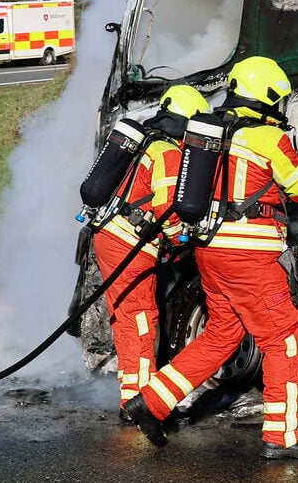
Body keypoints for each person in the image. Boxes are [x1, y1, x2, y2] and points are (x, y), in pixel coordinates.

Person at [125, 56, 298, 460]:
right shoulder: (269, 138)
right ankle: (284, 435)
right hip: (250, 256)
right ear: (269, 97)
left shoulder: (205, 130)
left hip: (209, 252)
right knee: (285, 338)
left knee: (223, 335)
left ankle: (150, 403)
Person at [91, 84, 209, 422]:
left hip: (111, 236)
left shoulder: (144, 142)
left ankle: (132, 396)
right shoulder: (167, 151)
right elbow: (167, 209)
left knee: (128, 318)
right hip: (130, 243)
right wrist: (182, 241)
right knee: (140, 320)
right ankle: (140, 405)